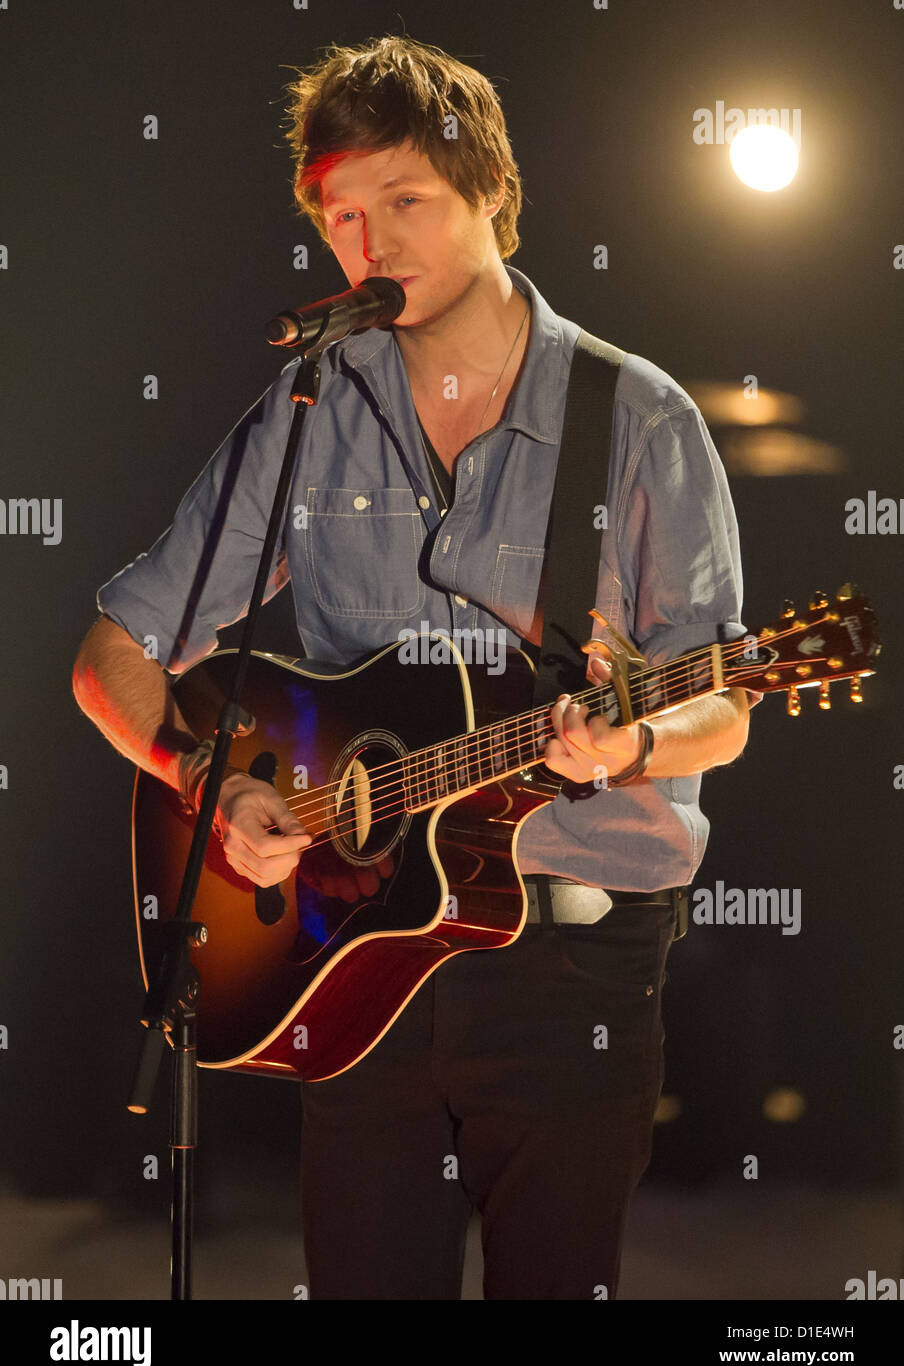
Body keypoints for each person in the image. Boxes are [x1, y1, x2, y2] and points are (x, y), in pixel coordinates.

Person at [72, 35, 757, 1300]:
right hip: (351, 963)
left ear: (493, 191)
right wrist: (204, 786)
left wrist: (633, 743)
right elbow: (117, 651)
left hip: (574, 969)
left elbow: (720, 701)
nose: (371, 246)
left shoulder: (638, 417)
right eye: (342, 214)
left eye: (405, 202)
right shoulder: (308, 407)